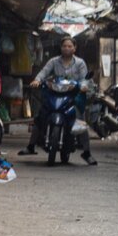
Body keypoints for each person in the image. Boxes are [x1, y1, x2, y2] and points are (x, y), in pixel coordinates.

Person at [30, 36, 96, 165]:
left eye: (70, 46)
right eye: (64, 46)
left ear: (74, 48)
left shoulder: (80, 63)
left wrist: (83, 86)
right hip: (55, 94)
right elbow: (44, 72)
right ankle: (31, 145)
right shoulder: (54, 61)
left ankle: (87, 152)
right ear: (61, 48)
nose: (67, 48)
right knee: (40, 115)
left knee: (80, 121)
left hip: (73, 97)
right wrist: (37, 80)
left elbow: (84, 79)